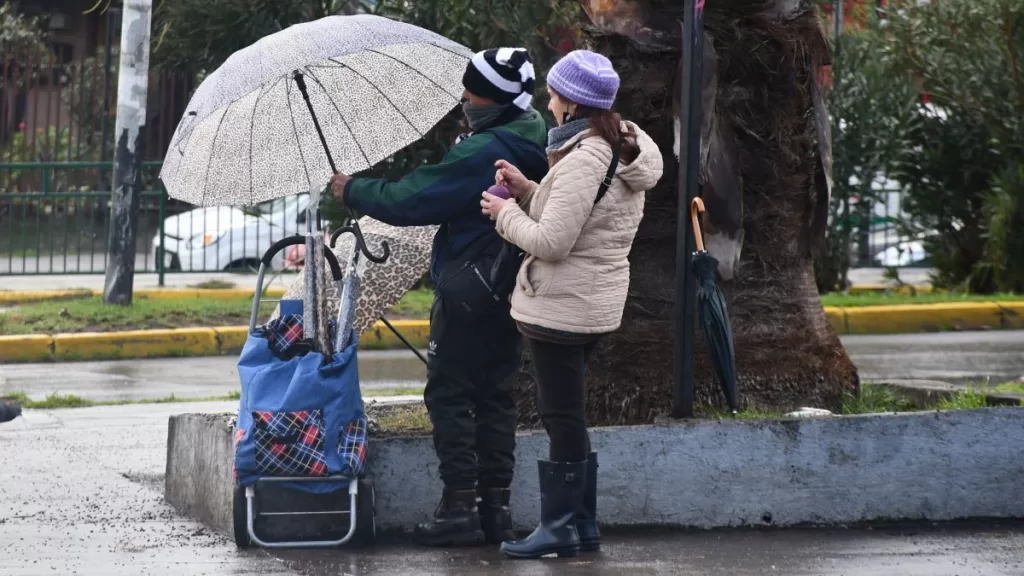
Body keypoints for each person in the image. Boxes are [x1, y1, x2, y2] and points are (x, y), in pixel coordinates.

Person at [330, 47, 549, 547]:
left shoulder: (481, 153)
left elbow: (414, 198)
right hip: (513, 288)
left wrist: (353, 190)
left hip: (469, 288)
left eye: (473, 91)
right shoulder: (533, 130)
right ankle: (496, 509)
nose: (465, 98)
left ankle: (459, 509)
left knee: (450, 394)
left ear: (493, 98)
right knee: (496, 396)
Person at [480, 49, 664, 559]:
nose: (548, 98)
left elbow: (553, 242)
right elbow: (583, 217)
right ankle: (581, 527)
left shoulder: (586, 157)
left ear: (572, 102)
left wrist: (503, 212)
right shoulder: (614, 146)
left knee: (562, 417)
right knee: (569, 414)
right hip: (589, 301)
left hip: (561, 306)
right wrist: (528, 189)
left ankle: (560, 526)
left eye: (555, 91)